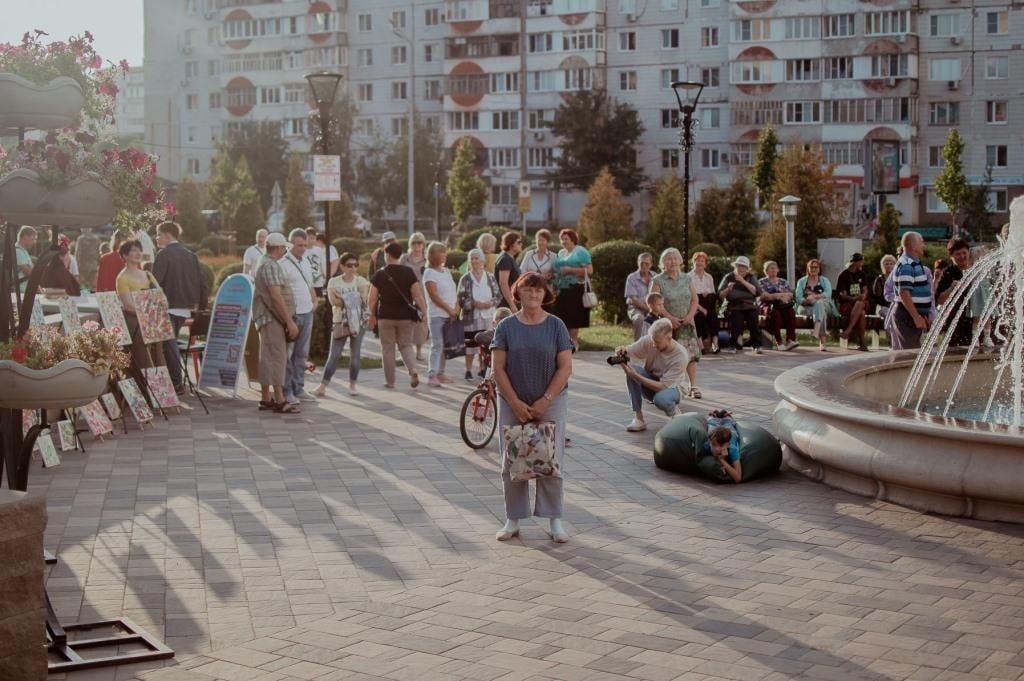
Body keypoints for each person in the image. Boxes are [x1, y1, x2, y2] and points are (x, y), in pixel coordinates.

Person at [491, 272, 573, 543]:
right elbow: (498, 369)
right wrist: (515, 402)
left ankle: (555, 520)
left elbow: (565, 367)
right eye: (528, 289)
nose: (534, 294)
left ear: (544, 294)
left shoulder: (557, 325)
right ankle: (512, 519)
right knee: (512, 459)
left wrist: (545, 400)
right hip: (511, 401)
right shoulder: (506, 327)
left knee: (550, 457)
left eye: (538, 290)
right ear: (518, 293)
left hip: (551, 400)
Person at [153, 221, 206, 393]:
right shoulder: (191, 255)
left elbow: (154, 283)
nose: (156, 238)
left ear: (167, 235)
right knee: (171, 343)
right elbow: (201, 282)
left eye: (158, 234)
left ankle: (176, 383)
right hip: (185, 308)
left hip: (167, 306)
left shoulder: (163, 254)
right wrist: (200, 306)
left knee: (169, 345)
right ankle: (174, 382)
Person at [368, 241, 426, 389]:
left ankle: (390, 382)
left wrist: (371, 316)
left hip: (385, 316)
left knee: (388, 348)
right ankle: (413, 369)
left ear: (387, 255)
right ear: (400, 255)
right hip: (405, 316)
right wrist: (424, 312)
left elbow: (372, 299)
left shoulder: (380, 274)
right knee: (406, 345)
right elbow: (417, 295)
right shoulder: (409, 272)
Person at [253, 233, 299, 413]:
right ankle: (280, 400)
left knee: (268, 357)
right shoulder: (270, 265)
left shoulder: (264, 261)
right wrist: (289, 321)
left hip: (268, 318)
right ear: (278, 248)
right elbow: (275, 296)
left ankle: (266, 398)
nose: (285, 251)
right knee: (276, 358)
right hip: (273, 318)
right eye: (284, 248)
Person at [616, 318, 689, 433]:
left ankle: (675, 415)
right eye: (653, 340)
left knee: (661, 399)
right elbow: (630, 351)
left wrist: (637, 376)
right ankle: (639, 419)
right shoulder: (650, 340)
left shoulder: (680, 356)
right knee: (632, 371)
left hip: (674, 388)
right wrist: (622, 351)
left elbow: (662, 387)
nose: (654, 345)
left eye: (657, 342)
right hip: (652, 382)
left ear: (669, 337)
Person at [315, 251, 368, 396]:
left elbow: (363, 299)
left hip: (358, 322)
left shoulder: (361, 281)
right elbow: (334, 302)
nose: (353, 268)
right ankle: (323, 386)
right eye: (350, 265)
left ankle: (353, 385)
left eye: (356, 265)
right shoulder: (334, 282)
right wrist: (352, 298)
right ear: (342, 266)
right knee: (334, 355)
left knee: (355, 355)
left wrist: (343, 297)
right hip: (340, 322)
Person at [651, 248, 702, 398]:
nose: (672, 261)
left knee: (691, 355)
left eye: (675, 258)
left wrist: (690, 316)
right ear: (663, 263)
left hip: (687, 322)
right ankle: (671, 386)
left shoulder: (687, 278)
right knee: (670, 356)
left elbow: (695, 300)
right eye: (668, 259)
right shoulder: (658, 280)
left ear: (680, 261)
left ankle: (693, 386)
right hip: (667, 325)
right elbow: (654, 302)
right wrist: (670, 318)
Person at [115, 239, 167, 372]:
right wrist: (148, 312)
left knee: (159, 355)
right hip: (135, 322)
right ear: (125, 255)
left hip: (153, 321)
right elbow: (128, 306)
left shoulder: (148, 275)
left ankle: (160, 382)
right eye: (134, 250)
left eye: (139, 250)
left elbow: (161, 298)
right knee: (144, 358)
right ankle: (146, 382)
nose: (138, 253)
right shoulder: (122, 278)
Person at [281, 229, 318, 404]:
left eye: (305, 245)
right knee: (288, 354)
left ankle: (299, 388)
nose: (302, 249)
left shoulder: (306, 262)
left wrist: (314, 302)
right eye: (299, 245)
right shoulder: (283, 264)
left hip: (307, 312)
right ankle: (287, 391)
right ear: (290, 244)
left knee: (302, 354)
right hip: (293, 315)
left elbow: (309, 285)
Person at [457, 248, 502, 380]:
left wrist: (490, 303)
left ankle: (482, 369)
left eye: (477, 258)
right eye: (472, 258)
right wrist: (474, 304)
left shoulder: (490, 277)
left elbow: (498, 296)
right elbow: (460, 299)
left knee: (485, 344)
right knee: (470, 345)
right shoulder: (465, 278)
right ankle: (468, 370)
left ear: (482, 260)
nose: (474, 261)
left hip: (488, 317)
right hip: (471, 318)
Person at [422, 241, 459, 387]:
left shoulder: (446, 271)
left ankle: (441, 373)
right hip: (437, 315)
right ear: (434, 255)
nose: (445, 255)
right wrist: (449, 309)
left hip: (450, 315)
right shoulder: (429, 273)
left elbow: (453, 292)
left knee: (446, 346)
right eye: (442, 252)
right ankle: (432, 375)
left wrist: (456, 308)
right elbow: (434, 296)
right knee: (437, 345)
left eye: (445, 252)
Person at [552, 228, 593, 346]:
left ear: (573, 239)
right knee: (562, 317)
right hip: (562, 290)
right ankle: (564, 343)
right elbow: (558, 270)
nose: (563, 241)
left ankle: (574, 343)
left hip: (576, 289)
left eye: (566, 239)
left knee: (574, 318)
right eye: (562, 239)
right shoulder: (561, 252)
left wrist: (571, 270)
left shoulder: (580, 251)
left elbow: (590, 271)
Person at [893, 231, 933, 350]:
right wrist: (916, 316)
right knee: (910, 354)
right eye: (921, 242)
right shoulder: (907, 265)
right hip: (907, 317)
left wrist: (922, 315)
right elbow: (904, 293)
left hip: (911, 316)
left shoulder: (914, 262)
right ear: (913, 245)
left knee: (914, 353)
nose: (924, 245)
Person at [718, 256, 763, 354]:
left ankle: (756, 345)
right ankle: (733, 345)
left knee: (753, 317)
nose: (741, 268)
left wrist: (742, 281)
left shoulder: (751, 277)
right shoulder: (729, 277)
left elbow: (757, 292)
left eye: (744, 266)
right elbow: (720, 295)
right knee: (737, 318)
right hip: (733, 305)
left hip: (749, 305)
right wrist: (728, 289)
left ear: (747, 268)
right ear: (735, 266)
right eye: (739, 266)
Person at [935, 238, 974, 347]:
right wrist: (952, 288)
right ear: (951, 257)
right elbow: (940, 300)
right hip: (955, 323)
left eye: (964, 253)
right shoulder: (948, 273)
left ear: (969, 252)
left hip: (976, 320)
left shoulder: (977, 269)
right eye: (958, 254)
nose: (962, 256)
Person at [400, 232, 429, 360]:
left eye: (419, 242)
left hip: (422, 294)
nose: (417, 245)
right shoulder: (404, 258)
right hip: (406, 294)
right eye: (414, 243)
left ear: (423, 244)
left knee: (421, 323)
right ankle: (407, 350)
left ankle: (419, 351)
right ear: (410, 244)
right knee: (405, 323)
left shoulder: (427, 258)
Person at [795, 259, 835, 351]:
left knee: (819, 304)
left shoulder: (824, 280)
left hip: (824, 305)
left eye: (816, 267)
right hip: (806, 307)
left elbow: (828, 293)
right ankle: (822, 342)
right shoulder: (802, 281)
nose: (813, 269)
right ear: (808, 268)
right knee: (821, 312)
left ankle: (817, 330)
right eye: (811, 267)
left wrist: (815, 297)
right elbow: (798, 297)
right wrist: (808, 301)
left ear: (819, 269)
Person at [834, 252, 871, 351]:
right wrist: (854, 299)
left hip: (860, 303)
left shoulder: (861, 274)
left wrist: (863, 295)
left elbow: (865, 289)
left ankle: (848, 331)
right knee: (861, 313)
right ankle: (862, 343)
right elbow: (842, 294)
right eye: (861, 261)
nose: (862, 263)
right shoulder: (844, 275)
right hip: (847, 304)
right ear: (855, 262)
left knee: (860, 304)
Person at [759, 261, 799, 351]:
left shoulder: (783, 281)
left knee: (791, 312)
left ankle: (790, 340)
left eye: (775, 268)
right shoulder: (762, 282)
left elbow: (790, 295)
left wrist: (778, 296)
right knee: (775, 314)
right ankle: (779, 342)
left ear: (778, 270)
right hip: (768, 305)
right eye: (771, 268)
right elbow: (764, 296)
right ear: (766, 270)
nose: (773, 270)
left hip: (783, 305)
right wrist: (780, 295)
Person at [691, 252, 720, 354]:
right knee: (699, 316)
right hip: (694, 304)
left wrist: (707, 293)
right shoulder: (688, 277)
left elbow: (713, 293)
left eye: (702, 261)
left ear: (705, 264)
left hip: (708, 303)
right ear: (693, 262)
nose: (699, 263)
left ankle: (715, 344)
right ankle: (701, 346)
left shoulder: (709, 277)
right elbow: (689, 297)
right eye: (697, 260)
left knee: (713, 316)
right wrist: (701, 309)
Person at [704, 412, 743, 483]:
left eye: (721, 446)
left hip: (731, 434)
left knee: (728, 423)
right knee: (711, 423)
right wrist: (720, 464)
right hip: (715, 431)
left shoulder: (732, 450)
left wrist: (721, 460)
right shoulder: (707, 445)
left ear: (728, 445)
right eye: (714, 444)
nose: (716, 449)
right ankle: (714, 415)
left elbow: (738, 478)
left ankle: (726, 415)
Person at [624, 252, 655, 340]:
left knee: (661, 320)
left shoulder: (656, 277)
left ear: (651, 264)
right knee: (639, 319)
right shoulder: (632, 278)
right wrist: (649, 309)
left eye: (647, 264)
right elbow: (633, 300)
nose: (644, 266)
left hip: (653, 308)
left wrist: (653, 309)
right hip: (636, 308)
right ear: (638, 263)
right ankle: (638, 345)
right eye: (642, 263)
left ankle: (656, 345)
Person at [494, 231, 524, 311]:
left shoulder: (510, 258)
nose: (521, 244)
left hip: (511, 301)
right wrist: (511, 304)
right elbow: (503, 284)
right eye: (519, 242)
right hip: (505, 304)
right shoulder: (505, 260)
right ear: (511, 244)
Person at [15, 226, 37, 293]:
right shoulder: (18, 251)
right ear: (25, 237)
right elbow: (29, 272)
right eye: (32, 239)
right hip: (22, 292)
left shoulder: (23, 251)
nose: (34, 242)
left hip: (27, 291)